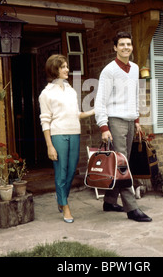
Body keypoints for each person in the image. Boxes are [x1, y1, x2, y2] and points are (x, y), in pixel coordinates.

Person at [94, 31, 152, 222]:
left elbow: (135, 96)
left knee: (122, 161)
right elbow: (100, 101)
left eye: (129, 44)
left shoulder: (135, 69)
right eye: (122, 44)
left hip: (129, 120)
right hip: (115, 121)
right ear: (115, 48)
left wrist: (137, 121)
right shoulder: (109, 71)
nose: (126, 47)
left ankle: (109, 201)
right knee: (122, 165)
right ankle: (132, 208)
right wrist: (104, 127)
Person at [39, 54, 94, 223]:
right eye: (63, 67)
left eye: (66, 66)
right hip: (58, 135)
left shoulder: (71, 90)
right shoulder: (46, 94)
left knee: (71, 171)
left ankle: (61, 199)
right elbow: (45, 120)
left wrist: (94, 110)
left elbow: (76, 114)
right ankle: (65, 205)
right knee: (61, 171)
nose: (67, 70)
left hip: (74, 133)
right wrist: (49, 145)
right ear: (54, 69)